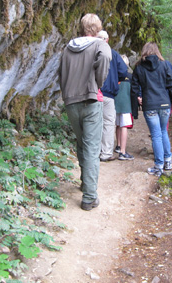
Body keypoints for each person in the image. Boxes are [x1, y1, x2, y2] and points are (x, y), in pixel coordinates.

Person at [59, 14, 112, 211]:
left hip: (71, 102)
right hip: (90, 101)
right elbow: (106, 58)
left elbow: (60, 72)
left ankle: (84, 182)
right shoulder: (100, 45)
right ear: (98, 28)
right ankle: (89, 197)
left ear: (82, 28)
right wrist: (99, 82)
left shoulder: (68, 47)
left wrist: (67, 93)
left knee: (82, 143)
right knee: (91, 148)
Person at [131, 42, 172, 177]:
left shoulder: (139, 68)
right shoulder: (164, 65)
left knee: (156, 135)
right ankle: (167, 161)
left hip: (150, 105)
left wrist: (135, 110)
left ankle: (158, 166)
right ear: (157, 51)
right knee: (163, 132)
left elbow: (134, 89)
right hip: (164, 105)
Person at [97, 31, 128, 162]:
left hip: (94, 93)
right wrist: (115, 79)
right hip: (108, 94)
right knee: (108, 123)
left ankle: (93, 152)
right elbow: (123, 71)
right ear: (107, 40)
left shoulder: (92, 52)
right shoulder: (114, 54)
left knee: (94, 122)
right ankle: (106, 153)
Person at [114, 55, 134, 161]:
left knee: (117, 125)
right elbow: (133, 91)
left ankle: (118, 145)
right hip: (126, 104)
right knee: (124, 126)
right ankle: (123, 151)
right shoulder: (130, 76)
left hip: (115, 103)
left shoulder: (114, 75)